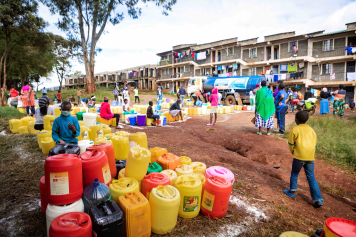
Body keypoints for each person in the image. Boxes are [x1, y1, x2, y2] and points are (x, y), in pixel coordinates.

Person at [284, 110, 323, 208]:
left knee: (294, 172)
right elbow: (314, 143)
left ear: (296, 120)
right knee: (311, 177)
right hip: (310, 157)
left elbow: (291, 144)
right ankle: (318, 199)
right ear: (307, 119)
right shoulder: (311, 130)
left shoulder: (295, 130)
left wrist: (294, 152)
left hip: (298, 156)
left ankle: (292, 190)